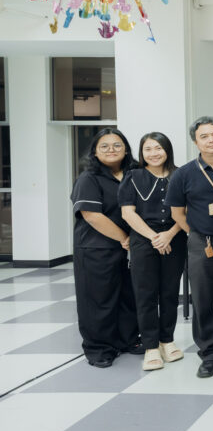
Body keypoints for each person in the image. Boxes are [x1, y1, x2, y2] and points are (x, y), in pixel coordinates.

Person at [167, 116, 213, 378]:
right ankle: (209, 351)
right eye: (204, 136)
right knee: (203, 298)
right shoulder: (184, 174)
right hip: (203, 242)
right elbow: (177, 213)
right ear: (196, 141)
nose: (211, 140)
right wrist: (195, 233)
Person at [71, 128, 140, 367]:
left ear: (126, 150)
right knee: (99, 300)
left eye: (117, 145)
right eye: (104, 146)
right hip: (97, 249)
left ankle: (128, 340)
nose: (111, 150)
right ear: (95, 152)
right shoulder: (88, 178)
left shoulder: (134, 174)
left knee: (128, 295)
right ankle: (99, 348)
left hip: (129, 248)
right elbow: (92, 215)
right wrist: (124, 238)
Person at [119, 132, 186, 372]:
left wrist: (169, 234)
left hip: (175, 238)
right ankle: (150, 346)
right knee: (145, 294)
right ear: (141, 152)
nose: (154, 153)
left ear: (167, 150)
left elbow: (189, 210)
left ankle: (167, 340)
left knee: (170, 292)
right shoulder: (133, 176)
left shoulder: (181, 174)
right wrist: (154, 237)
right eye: (148, 149)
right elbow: (128, 213)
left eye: (158, 148)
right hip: (143, 239)